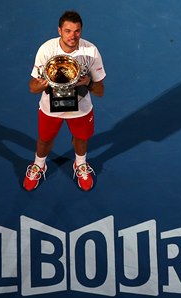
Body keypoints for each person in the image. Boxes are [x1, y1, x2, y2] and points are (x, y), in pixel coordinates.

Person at [23, 11, 106, 191]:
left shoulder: (90, 51)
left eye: (77, 31)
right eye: (68, 31)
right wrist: (43, 83)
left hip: (81, 106)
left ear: (81, 30)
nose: (73, 36)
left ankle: (80, 164)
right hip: (50, 107)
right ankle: (39, 165)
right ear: (59, 30)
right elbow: (32, 88)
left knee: (81, 138)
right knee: (45, 139)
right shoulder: (46, 49)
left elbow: (100, 91)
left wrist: (88, 82)